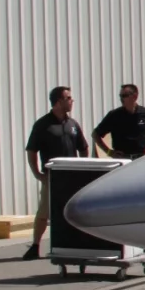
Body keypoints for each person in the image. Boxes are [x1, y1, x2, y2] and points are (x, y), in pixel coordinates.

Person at [24, 86, 89, 259]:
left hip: (72, 177)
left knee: (73, 212)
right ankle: (35, 246)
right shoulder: (43, 125)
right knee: (44, 213)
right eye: (68, 98)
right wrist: (37, 173)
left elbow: (83, 148)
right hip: (52, 177)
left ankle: (75, 244)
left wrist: (83, 168)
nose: (71, 101)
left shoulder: (72, 124)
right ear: (58, 102)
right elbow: (31, 151)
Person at [93, 84, 145, 161]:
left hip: (142, 158)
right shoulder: (114, 115)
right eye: (120, 96)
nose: (121, 99)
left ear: (135, 97)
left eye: (124, 96)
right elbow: (95, 134)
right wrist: (109, 152)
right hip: (122, 159)